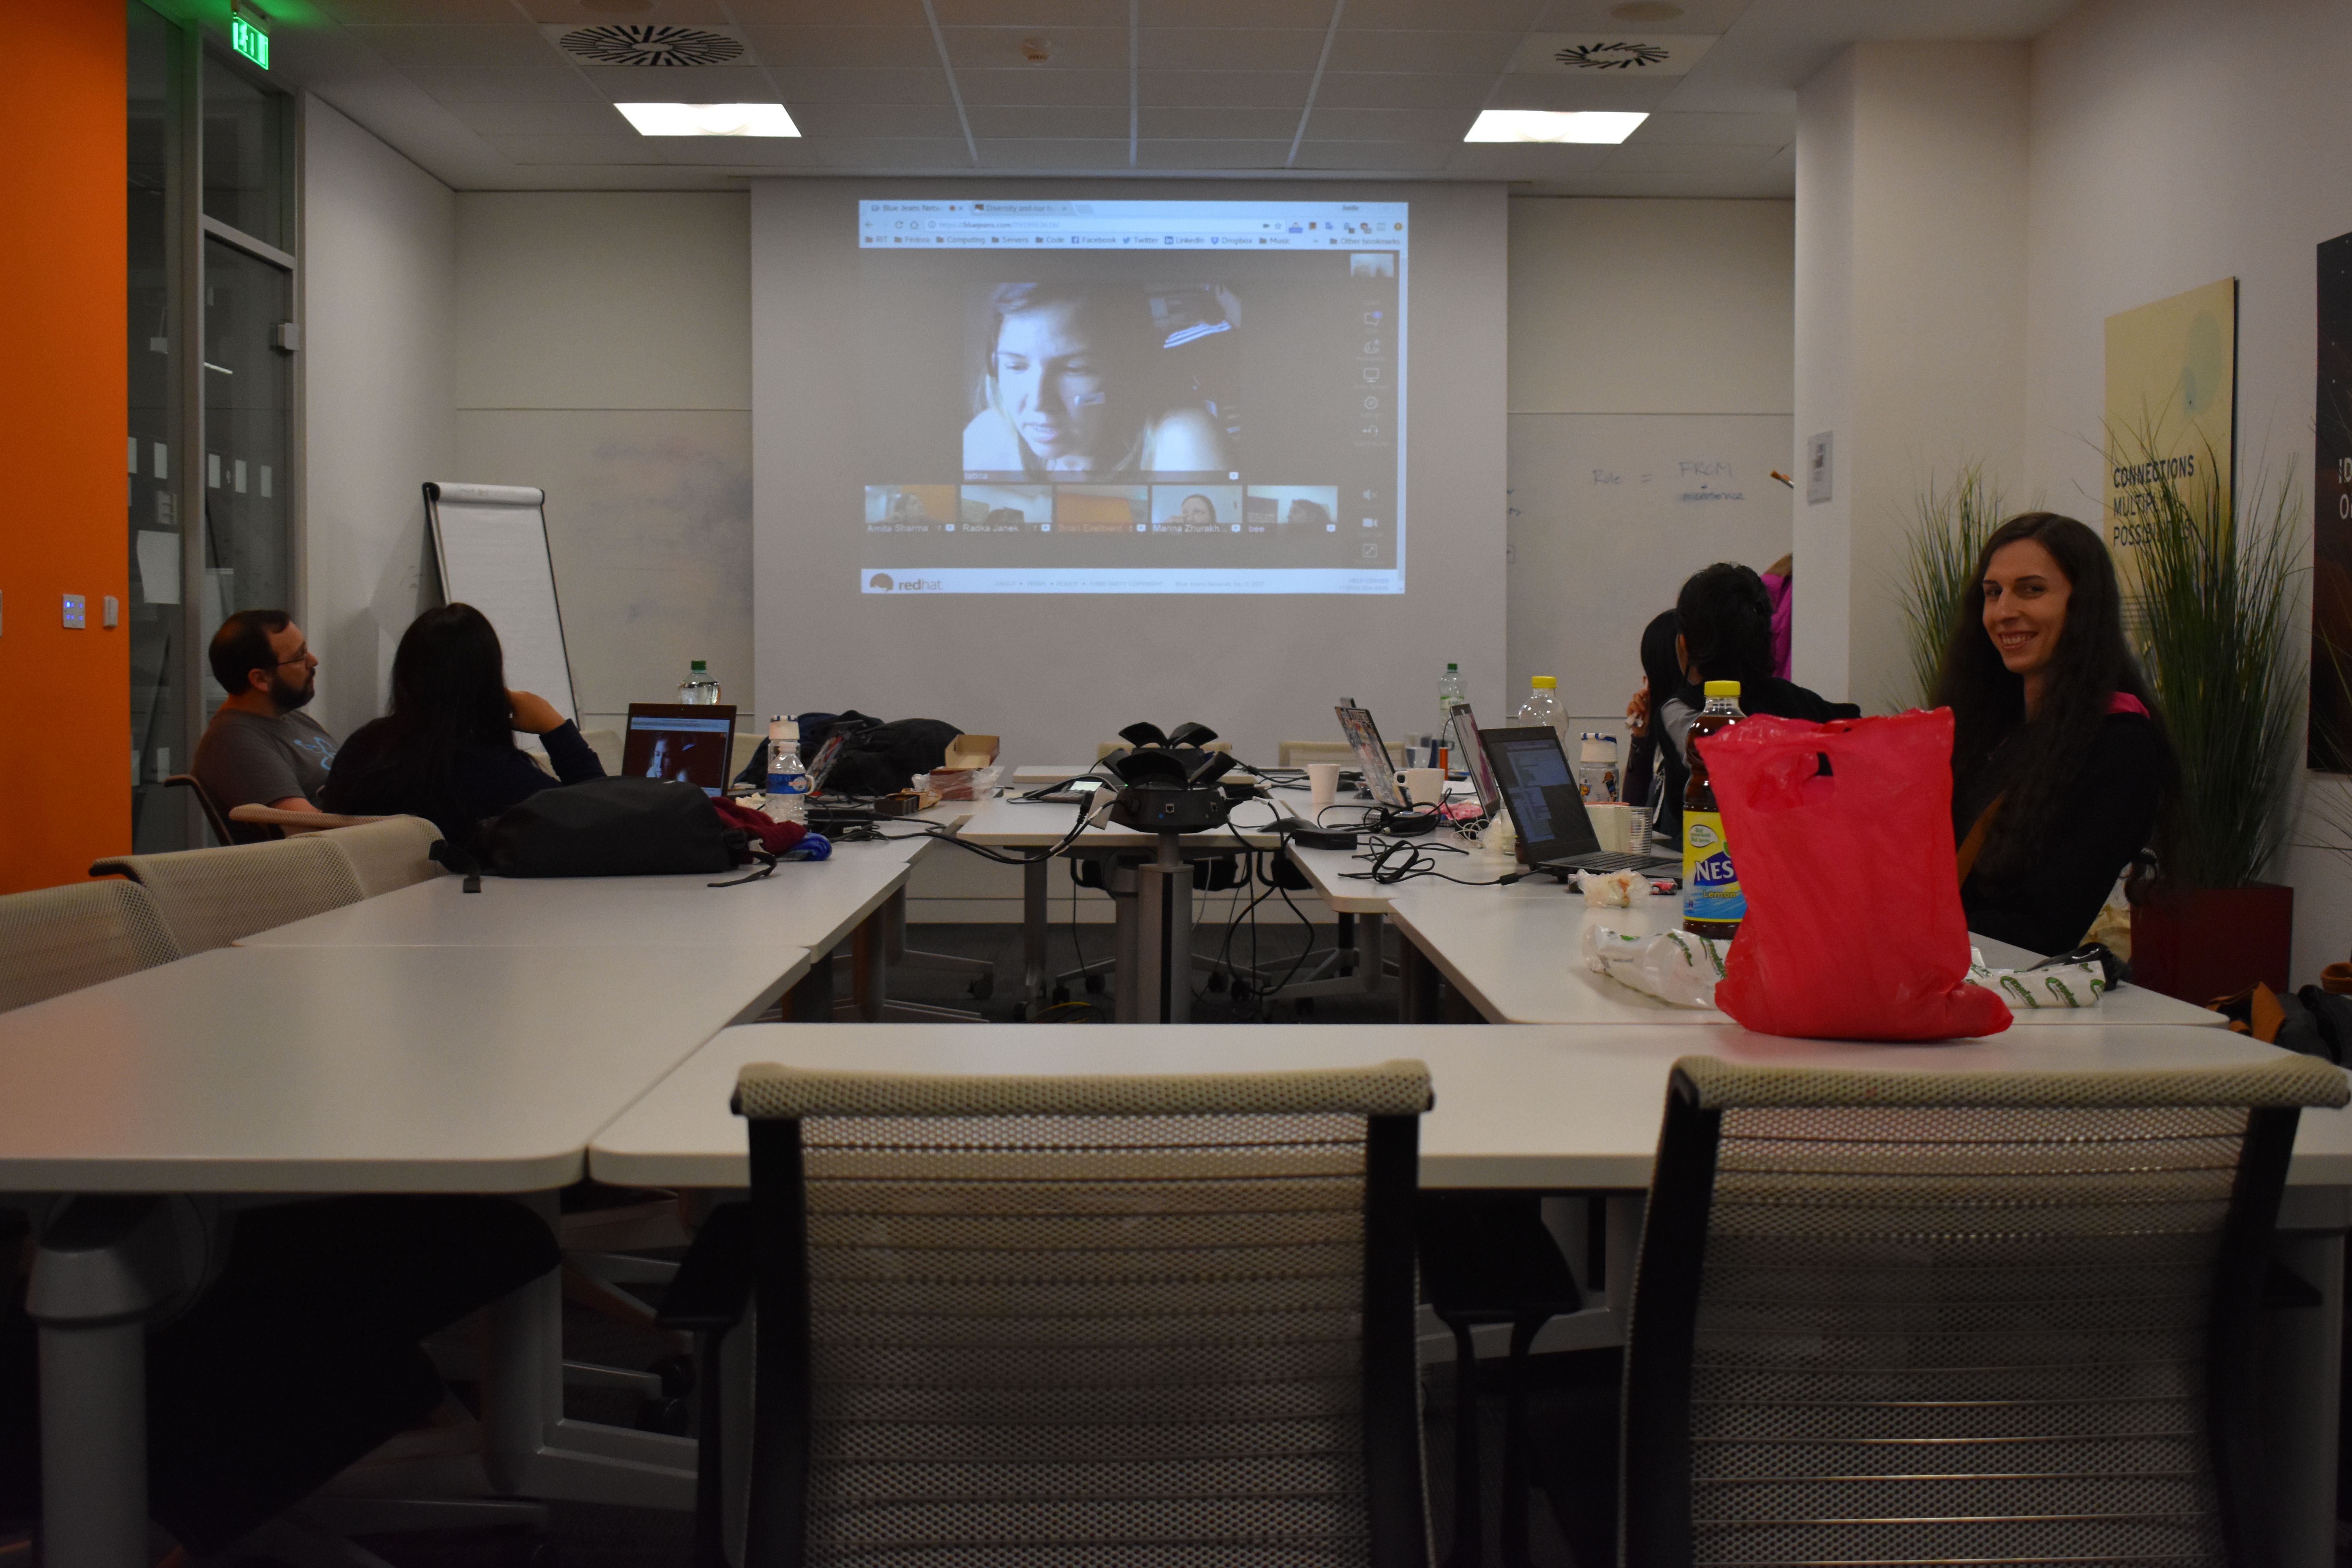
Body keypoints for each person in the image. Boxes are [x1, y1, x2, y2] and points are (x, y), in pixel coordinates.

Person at [1933, 512, 2172, 955]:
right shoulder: (1989, 734)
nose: (2004, 612)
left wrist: (1905, 926)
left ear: (2084, 604)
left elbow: (2047, 929)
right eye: (1993, 593)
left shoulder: (2120, 745)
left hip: (2043, 1005)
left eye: (2032, 590)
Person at [322, 603, 603, 845]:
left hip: (369, 906)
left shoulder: (364, 748)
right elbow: (604, 821)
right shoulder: (500, 776)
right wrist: (555, 729)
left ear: (405, 674)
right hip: (474, 906)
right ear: (490, 681)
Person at [962, 283, 1228, 477]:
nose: (1039, 402)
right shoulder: (989, 437)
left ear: (1128, 371)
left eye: (1075, 369)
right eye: (1016, 366)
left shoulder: (1181, 441)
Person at [191, 609, 339, 841]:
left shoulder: (294, 720)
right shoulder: (234, 743)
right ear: (260, 679)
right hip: (316, 870)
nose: (313, 661)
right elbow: (307, 831)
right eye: (300, 657)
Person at [1621, 610, 1690, 840]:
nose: (1646, 686)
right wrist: (1641, 738)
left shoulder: (1685, 732)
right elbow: (1633, 811)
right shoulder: (1662, 733)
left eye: (1650, 674)